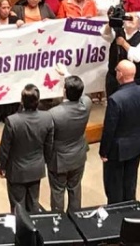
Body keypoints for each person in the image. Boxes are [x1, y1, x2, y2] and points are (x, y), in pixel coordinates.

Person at [0, 83, 54, 212]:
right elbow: (49, 145)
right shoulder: (47, 118)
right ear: (38, 100)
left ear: (22, 101)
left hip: (16, 170)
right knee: (33, 203)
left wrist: (1, 166)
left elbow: (5, 147)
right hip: (36, 168)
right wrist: (45, 161)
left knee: (18, 207)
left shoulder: (12, 121)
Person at [100, 60, 140, 204]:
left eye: (117, 70)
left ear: (120, 74)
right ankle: (130, 208)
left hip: (117, 150)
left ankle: (116, 212)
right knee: (130, 182)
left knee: (114, 186)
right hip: (136, 144)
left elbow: (109, 129)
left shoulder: (115, 99)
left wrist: (103, 151)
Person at [47, 75, 92, 212]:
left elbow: (49, 140)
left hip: (59, 159)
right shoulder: (86, 104)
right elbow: (82, 94)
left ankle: (58, 219)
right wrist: (67, 74)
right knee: (75, 188)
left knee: (57, 191)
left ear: (65, 91)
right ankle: (75, 217)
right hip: (78, 155)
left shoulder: (53, 113)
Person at [101, 14, 140, 96]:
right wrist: (110, 23)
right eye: (128, 17)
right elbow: (105, 34)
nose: (131, 19)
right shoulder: (117, 32)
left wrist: (124, 44)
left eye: (134, 17)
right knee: (113, 100)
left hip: (134, 81)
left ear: (139, 24)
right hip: (114, 78)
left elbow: (137, 57)